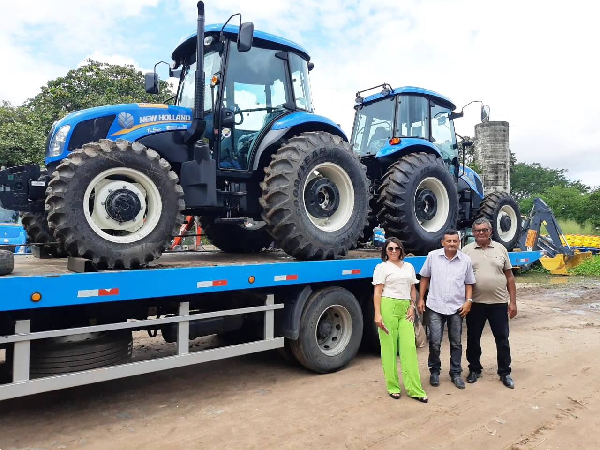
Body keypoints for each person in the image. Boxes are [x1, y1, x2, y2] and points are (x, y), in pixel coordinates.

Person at [462, 218, 517, 389]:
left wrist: (513, 302)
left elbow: (509, 276)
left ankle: (505, 372)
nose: (481, 233)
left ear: (490, 231)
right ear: (473, 232)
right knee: (473, 339)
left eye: (484, 230)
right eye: (477, 230)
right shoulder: (466, 251)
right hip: (475, 304)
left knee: (502, 339)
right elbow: (461, 278)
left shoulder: (500, 249)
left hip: (499, 303)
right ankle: (474, 370)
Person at [417, 230, 475, 389]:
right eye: (448, 241)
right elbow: (424, 277)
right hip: (435, 306)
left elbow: (469, 283)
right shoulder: (432, 257)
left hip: (457, 308)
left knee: (456, 342)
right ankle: (434, 371)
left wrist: (468, 301)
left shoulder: (466, 260)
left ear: (459, 242)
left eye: (455, 241)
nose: (451, 244)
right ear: (442, 242)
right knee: (435, 342)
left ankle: (455, 373)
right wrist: (421, 298)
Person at [372, 237, 428, 402]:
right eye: (390, 249)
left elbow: (412, 288)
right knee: (389, 348)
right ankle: (393, 386)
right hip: (388, 306)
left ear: (401, 250)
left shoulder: (409, 266)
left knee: (409, 348)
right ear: (386, 251)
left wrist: (412, 306)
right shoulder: (382, 267)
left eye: (397, 248)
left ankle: (415, 389)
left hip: (405, 309)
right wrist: (378, 314)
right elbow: (377, 292)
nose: (394, 251)